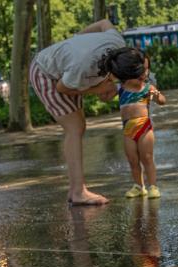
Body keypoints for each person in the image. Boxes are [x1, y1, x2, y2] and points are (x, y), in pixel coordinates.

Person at [30, 19, 141, 205]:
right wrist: (97, 89)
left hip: (65, 71)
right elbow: (62, 88)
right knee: (75, 128)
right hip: (45, 73)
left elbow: (104, 23)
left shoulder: (117, 43)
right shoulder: (82, 67)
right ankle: (78, 192)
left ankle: (76, 189)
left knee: (78, 126)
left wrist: (77, 39)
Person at [116, 53, 166, 199]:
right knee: (132, 160)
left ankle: (153, 186)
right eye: (140, 70)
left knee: (147, 157)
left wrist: (157, 96)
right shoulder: (121, 87)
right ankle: (139, 186)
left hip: (144, 127)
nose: (144, 73)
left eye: (146, 70)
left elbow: (162, 101)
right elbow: (105, 95)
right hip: (127, 129)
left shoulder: (148, 88)